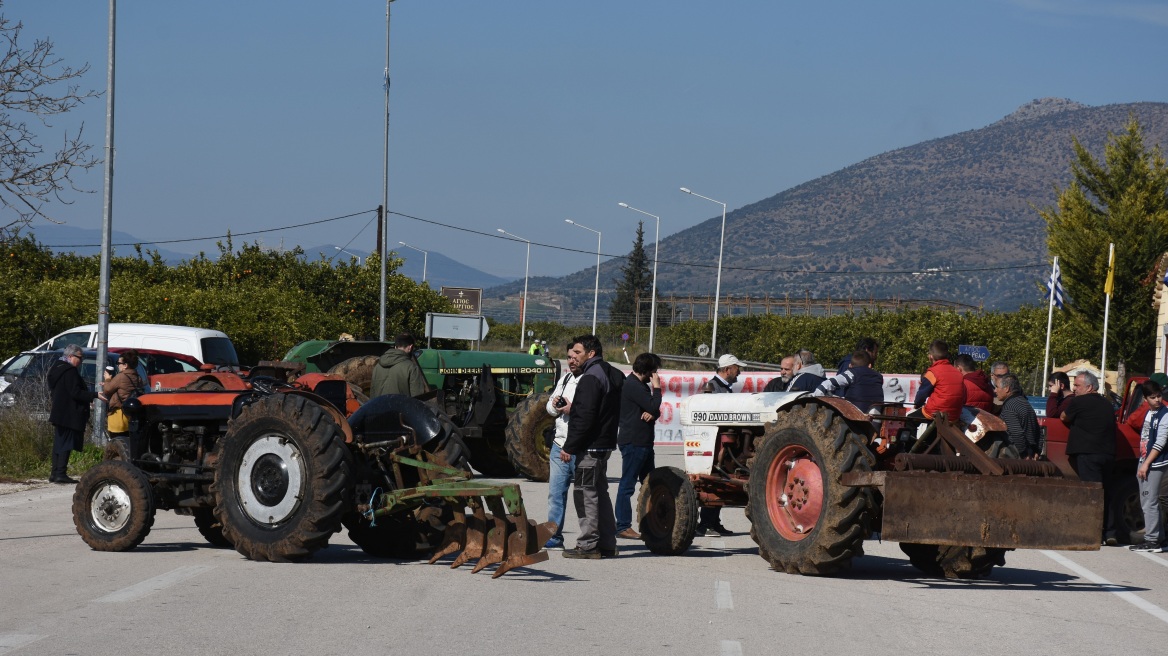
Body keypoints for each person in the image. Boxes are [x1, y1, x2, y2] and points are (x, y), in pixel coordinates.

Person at [561, 335, 624, 559]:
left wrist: (569, 446)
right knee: (600, 494)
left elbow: (584, 417)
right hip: (604, 445)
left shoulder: (590, 377)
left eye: (578, 353)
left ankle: (588, 545)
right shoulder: (613, 373)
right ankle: (607, 543)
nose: (574, 357)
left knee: (585, 494)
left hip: (590, 447)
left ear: (591, 353)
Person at [1061, 371, 1119, 546]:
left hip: (1088, 454)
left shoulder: (1078, 402)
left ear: (1089, 387)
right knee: (1106, 493)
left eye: (1077, 385)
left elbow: (1063, 416)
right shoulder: (1107, 404)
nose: (1074, 388)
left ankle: (1092, 533)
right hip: (1108, 454)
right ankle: (1110, 532)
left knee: (1091, 493)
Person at [615, 352, 663, 540]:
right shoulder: (633, 385)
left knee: (649, 485)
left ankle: (651, 523)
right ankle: (623, 526)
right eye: (654, 371)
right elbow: (653, 405)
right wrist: (657, 388)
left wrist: (653, 413)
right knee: (627, 485)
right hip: (634, 443)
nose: (656, 375)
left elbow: (653, 409)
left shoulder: (639, 386)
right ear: (648, 371)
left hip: (643, 442)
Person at [695, 353, 743, 537]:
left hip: (723, 442)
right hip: (715, 443)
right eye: (737, 368)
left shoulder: (723, 387)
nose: (739, 372)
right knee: (714, 479)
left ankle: (714, 522)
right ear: (728, 369)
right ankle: (706, 523)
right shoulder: (713, 387)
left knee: (722, 479)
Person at [543, 342, 582, 550]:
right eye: (568, 357)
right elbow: (549, 409)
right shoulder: (565, 379)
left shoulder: (589, 381)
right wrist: (554, 404)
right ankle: (554, 536)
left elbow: (589, 412)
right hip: (559, 444)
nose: (571, 360)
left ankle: (589, 539)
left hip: (580, 447)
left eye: (575, 356)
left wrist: (571, 409)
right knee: (556, 494)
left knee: (585, 496)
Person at [47, 345, 105, 484]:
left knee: (59, 442)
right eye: (79, 357)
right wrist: (94, 395)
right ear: (70, 356)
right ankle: (60, 473)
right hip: (69, 413)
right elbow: (75, 392)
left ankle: (55, 473)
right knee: (66, 444)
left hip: (60, 411)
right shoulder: (70, 371)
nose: (81, 360)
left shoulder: (57, 368)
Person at [1131, 379, 1168, 552]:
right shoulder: (1148, 412)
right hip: (1145, 459)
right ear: (1145, 399)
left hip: (1155, 462)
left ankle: (1152, 540)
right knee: (1148, 500)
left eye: (1159, 396)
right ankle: (1159, 538)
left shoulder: (1164, 414)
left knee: (1149, 501)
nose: (1157, 400)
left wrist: (1146, 464)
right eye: (1153, 397)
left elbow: (1160, 442)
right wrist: (1142, 461)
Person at [912, 340, 966, 423]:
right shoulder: (958, 373)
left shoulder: (932, 372)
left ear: (930, 356)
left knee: (910, 419)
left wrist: (916, 404)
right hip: (954, 415)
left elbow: (922, 394)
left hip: (936, 413)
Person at [812, 349, 883, 412]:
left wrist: (815, 397)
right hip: (876, 414)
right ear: (869, 365)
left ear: (850, 365)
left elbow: (828, 384)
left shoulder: (852, 373)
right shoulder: (879, 377)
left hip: (855, 414)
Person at [995, 374, 1041, 458]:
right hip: (1030, 452)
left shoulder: (1009, 407)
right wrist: (1037, 451)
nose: (995, 390)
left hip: (1017, 455)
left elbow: (1017, 433)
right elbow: (1038, 430)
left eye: (997, 387)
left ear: (1006, 389)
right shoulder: (1025, 403)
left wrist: (1024, 454)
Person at [370, 332, 428, 398]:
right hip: (400, 404)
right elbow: (417, 397)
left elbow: (372, 394)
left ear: (395, 347)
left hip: (380, 404)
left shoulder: (377, 366)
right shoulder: (411, 368)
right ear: (410, 347)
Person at [102, 349, 145, 437]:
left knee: (117, 441)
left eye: (118, 363)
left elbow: (107, 390)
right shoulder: (138, 377)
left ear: (125, 365)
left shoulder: (121, 376)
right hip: (131, 415)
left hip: (118, 415)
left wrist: (107, 379)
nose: (117, 365)